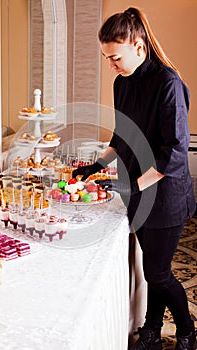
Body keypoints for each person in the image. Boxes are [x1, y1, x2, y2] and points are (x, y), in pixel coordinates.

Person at [72, 6, 196, 350]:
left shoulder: (169, 83)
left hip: (166, 196)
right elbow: (122, 135)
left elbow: (174, 152)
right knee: (153, 268)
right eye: (106, 57)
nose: (110, 65)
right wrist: (97, 165)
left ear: (138, 48)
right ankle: (152, 329)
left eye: (115, 57)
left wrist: (131, 185)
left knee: (158, 273)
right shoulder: (121, 83)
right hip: (138, 193)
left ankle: (187, 331)